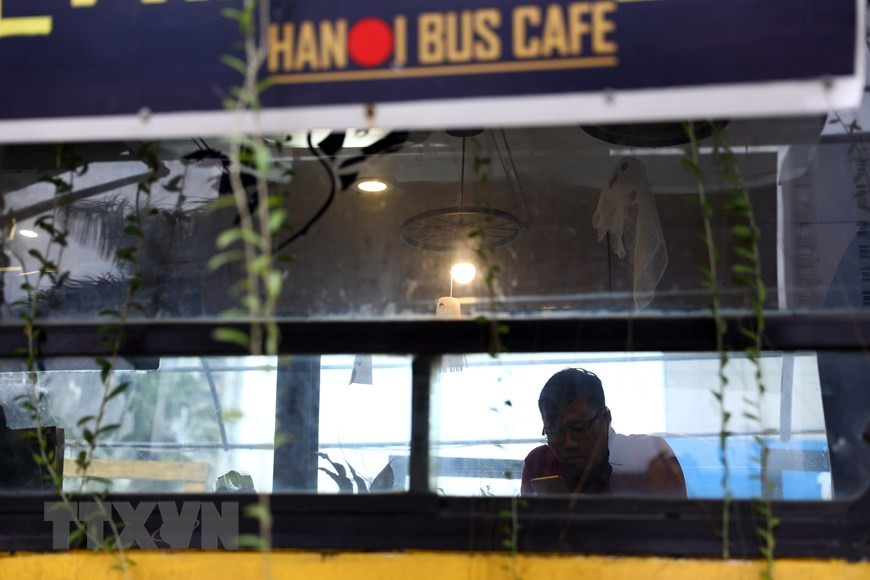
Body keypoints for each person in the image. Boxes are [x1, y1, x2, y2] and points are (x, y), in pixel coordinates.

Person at [521, 368, 687, 497]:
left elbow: (678, 531)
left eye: (580, 428)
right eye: (554, 431)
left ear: (606, 417)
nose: (569, 442)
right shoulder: (539, 462)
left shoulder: (647, 456)